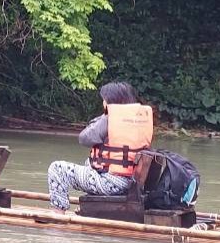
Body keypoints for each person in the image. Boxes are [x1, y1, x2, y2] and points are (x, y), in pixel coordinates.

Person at [46, 81, 153, 211]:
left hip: (112, 183)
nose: (103, 103)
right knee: (89, 162)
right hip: (130, 182)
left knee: (57, 168)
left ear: (110, 102)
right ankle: (91, 208)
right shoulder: (139, 119)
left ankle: (58, 211)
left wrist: (105, 116)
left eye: (104, 100)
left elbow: (84, 138)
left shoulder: (109, 119)